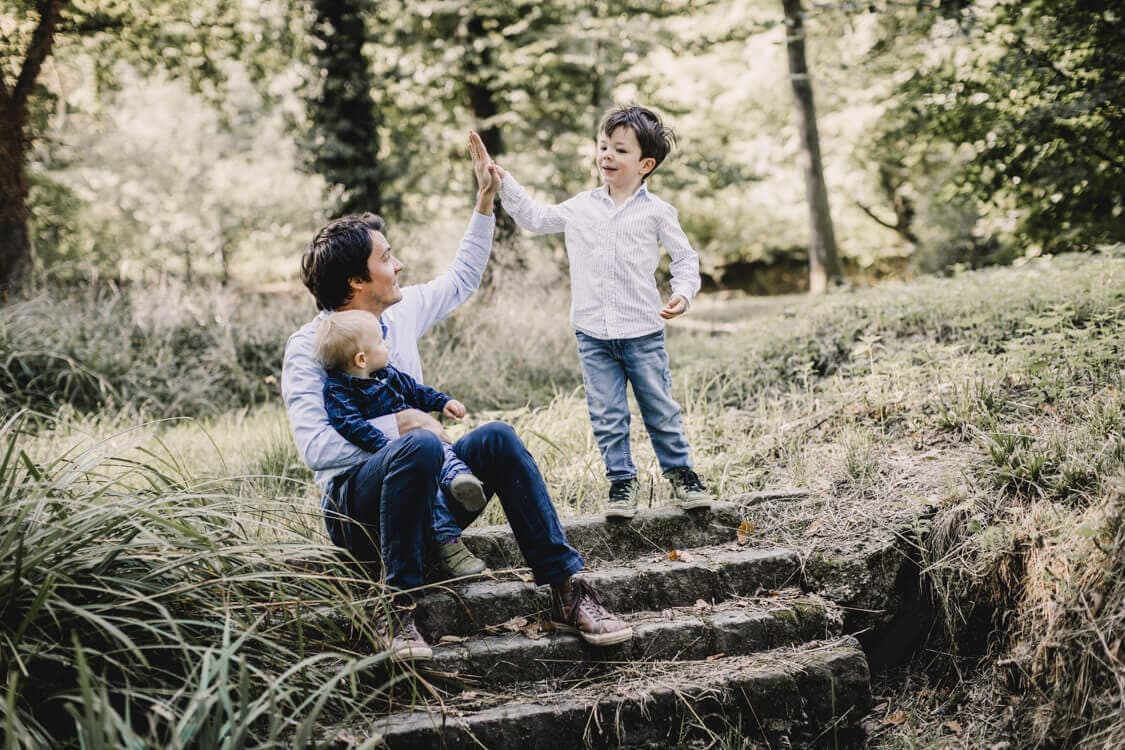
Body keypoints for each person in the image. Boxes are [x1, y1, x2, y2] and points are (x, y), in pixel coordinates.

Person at [281, 132, 633, 662]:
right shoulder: (308, 347)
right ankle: (395, 606)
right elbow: (318, 450)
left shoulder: (400, 313)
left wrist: (484, 204)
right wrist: (404, 426)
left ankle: (568, 586)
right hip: (358, 515)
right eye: (387, 257)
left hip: (424, 495)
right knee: (420, 446)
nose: (399, 265)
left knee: (496, 439)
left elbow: (464, 277)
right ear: (357, 279)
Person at [493, 104, 715, 520]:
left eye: (619, 150)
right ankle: (621, 482)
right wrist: (503, 181)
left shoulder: (657, 212)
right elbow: (535, 218)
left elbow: (686, 261)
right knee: (608, 414)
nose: (607, 156)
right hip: (593, 335)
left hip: (642, 333)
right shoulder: (581, 207)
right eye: (603, 147)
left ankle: (682, 474)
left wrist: (683, 294)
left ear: (645, 164)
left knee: (659, 408)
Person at [314, 308, 488, 578]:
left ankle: (459, 480)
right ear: (361, 359)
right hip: (393, 463)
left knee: (441, 448)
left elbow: (416, 391)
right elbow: (351, 426)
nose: (387, 345)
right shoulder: (339, 392)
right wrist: (388, 445)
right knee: (427, 462)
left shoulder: (388, 375)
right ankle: (448, 543)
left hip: (419, 450)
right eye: (381, 342)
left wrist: (442, 402)